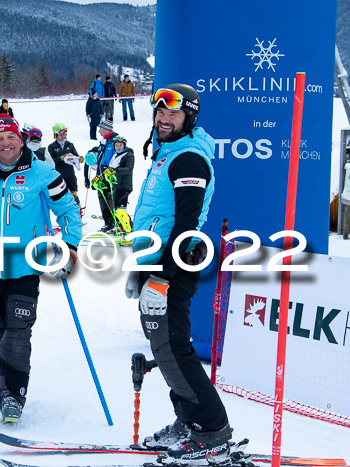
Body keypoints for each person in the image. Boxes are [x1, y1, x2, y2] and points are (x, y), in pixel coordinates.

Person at [0, 114, 82, 424]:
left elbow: (67, 210)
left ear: (20, 140)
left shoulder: (43, 172)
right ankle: (1, 385)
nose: (5, 144)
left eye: (10, 138)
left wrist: (71, 248)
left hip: (24, 265)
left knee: (17, 334)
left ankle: (14, 393)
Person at [125, 84, 231, 462]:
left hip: (171, 269)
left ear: (189, 117)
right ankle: (187, 421)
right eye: (159, 112)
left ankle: (211, 429)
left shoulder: (188, 159)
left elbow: (186, 224)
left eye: (173, 114)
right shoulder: (166, 153)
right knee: (165, 349)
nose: (163, 119)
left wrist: (162, 279)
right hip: (157, 262)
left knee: (174, 350)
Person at [85, 120, 133, 235]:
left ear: (106, 129)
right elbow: (101, 154)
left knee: (113, 202)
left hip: (112, 179)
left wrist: (112, 173)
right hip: (101, 176)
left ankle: (118, 225)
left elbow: (124, 153)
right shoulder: (103, 141)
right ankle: (108, 223)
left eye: (101, 128)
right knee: (102, 201)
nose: (99, 130)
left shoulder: (115, 140)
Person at [47, 123, 82, 208]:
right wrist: (61, 158)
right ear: (56, 135)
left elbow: (76, 156)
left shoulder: (70, 145)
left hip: (70, 175)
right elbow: (50, 162)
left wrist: (79, 159)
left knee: (74, 196)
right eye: (61, 135)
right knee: (62, 197)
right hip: (59, 176)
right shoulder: (52, 147)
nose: (63, 137)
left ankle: (79, 215)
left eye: (65, 134)